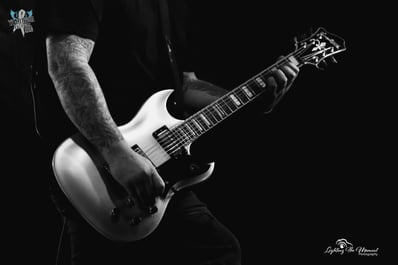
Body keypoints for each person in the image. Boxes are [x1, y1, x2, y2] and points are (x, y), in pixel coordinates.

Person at [42, 0, 299, 264]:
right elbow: (66, 64)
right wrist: (117, 152)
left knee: (218, 250)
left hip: (159, 167)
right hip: (96, 167)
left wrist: (252, 97)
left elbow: (185, 86)